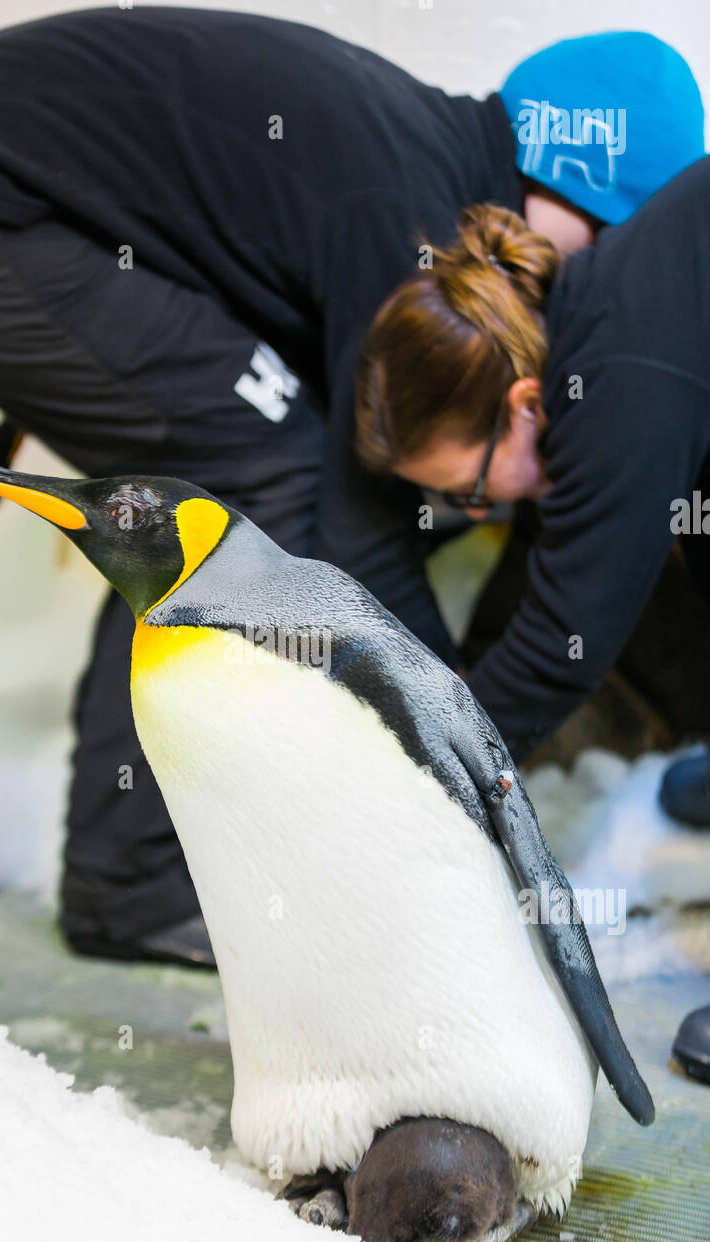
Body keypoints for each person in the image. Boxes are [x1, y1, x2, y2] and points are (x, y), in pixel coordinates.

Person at [0, 8, 703, 965]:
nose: (583, 286)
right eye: (602, 247)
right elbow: (360, 516)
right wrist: (434, 758)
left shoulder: (424, 170)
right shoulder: (411, 223)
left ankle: (139, 865)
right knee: (255, 478)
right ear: (569, 190)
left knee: (255, 478)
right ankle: (128, 887)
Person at [354, 154, 710, 1079]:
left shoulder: (622, 374)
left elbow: (560, 646)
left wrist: (402, 799)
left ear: (520, 406)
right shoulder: (609, 322)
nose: (479, 517)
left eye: (471, 491)